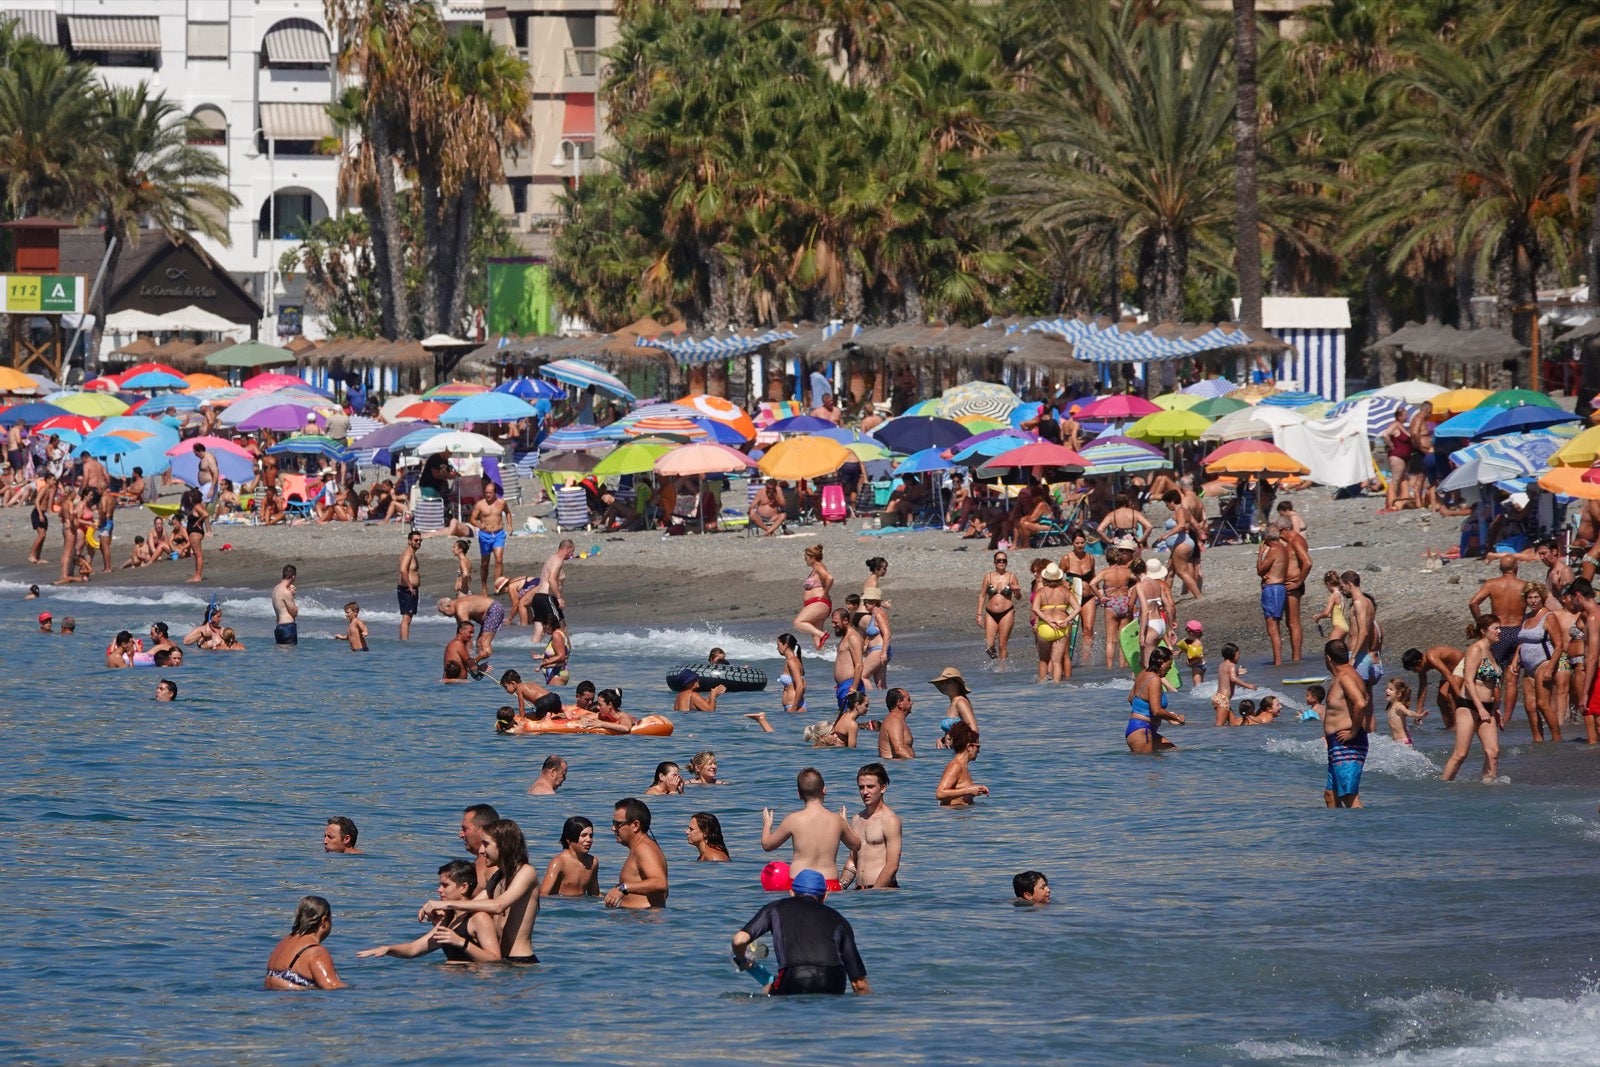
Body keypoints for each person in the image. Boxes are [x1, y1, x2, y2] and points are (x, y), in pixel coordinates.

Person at [732, 868, 871, 996]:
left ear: (791, 892)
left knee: (767, 991)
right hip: (834, 980)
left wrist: (743, 961)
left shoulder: (775, 908)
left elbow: (739, 940)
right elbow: (860, 984)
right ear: (824, 897)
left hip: (795, 977)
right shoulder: (839, 919)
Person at [421, 817, 540, 963]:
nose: (482, 851)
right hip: (502, 962)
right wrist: (441, 913)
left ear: (503, 845)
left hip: (522, 961)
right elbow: (472, 905)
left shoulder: (527, 872)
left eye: (486, 844)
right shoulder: (498, 876)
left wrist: (447, 904)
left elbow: (498, 905)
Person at [359, 861, 501, 964]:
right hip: (451, 985)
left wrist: (460, 942)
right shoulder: (448, 919)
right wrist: (388, 949)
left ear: (463, 887)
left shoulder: (478, 918)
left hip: (470, 988)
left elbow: (494, 960)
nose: (439, 890)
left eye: (445, 885)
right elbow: (414, 949)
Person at [761, 767, 862, 888]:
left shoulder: (793, 819)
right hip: (829, 884)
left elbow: (767, 845)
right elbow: (856, 845)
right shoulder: (837, 820)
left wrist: (767, 825)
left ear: (799, 795)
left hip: (800, 883)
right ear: (824, 790)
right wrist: (845, 823)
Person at [1442, 617, 1504, 782]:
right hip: (1469, 706)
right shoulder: (1475, 650)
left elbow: (1494, 684)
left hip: (1488, 707)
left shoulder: (1492, 651)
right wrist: (1480, 708)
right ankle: (1442, 788)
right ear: (1484, 631)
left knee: (1493, 752)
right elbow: (1468, 681)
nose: (1500, 632)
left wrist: (1496, 708)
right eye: (1496, 628)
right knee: (1461, 754)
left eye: (1500, 628)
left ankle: (1488, 788)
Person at [1323, 639, 1374, 807]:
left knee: (1348, 796)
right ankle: (1337, 832)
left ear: (1328, 658)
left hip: (1348, 743)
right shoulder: (1342, 676)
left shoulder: (1346, 677)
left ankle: (1364, 832)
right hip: (1336, 742)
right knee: (1331, 795)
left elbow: (1360, 703)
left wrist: (1353, 731)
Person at [265, 896, 345, 990]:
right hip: (298, 1002)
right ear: (324, 921)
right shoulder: (316, 953)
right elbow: (333, 987)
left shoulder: (282, 944)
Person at [842, 762, 901, 889]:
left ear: (883, 788)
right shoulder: (857, 819)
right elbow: (853, 861)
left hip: (883, 892)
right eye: (861, 787)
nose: (865, 792)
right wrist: (841, 886)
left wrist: (874, 893)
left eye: (870, 786)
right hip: (859, 891)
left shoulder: (890, 820)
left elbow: (892, 865)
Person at [606, 797, 669, 909]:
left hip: (644, 920)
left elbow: (660, 883)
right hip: (639, 920)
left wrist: (623, 888)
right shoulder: (642, 847)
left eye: (617, 824)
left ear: (635, 825)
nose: (613, 828)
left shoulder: (644, 848)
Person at [1468, 557, 1526, 672]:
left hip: (1499, 631)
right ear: (1516, 567)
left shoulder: (1492, 584)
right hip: (1519, 631)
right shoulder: (1525, 585)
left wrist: (1481, 623)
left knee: (1495, 672)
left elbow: (1473, 602)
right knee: (1514, 672)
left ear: (1500, 568)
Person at [1126, 647, 1185, 753]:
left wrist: (1143, 712)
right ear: (1161, 663)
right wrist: (1175, 717)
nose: (1170, 668)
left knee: (1174, 751)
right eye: (1169, 664)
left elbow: (1130, 698)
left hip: (1138, 728)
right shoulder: (1155, 680)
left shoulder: (1143, 673)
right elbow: (1156, 711)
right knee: (1149, 768)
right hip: (1142, 731)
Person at [1031, 562, 1079, 683]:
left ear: (1045, 577)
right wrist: (1066, 620)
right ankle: (1056, 688)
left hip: (1045, 627)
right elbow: (1077, 608)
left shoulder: (1041, 592)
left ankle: (1042, 684)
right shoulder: (1066, 592)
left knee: (1043, 659)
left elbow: (1035, 609)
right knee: (1057, 661)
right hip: (1061, 627)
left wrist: (1048, 620)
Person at [1342, 570, 1385, 693]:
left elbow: (1364, 632)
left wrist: (1353, 657)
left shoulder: (1359, 602)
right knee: (1365, 696)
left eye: (1342, 586)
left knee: (1355, 697)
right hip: (1364, 655)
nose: (1342, 590)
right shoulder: (1369, 602)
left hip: (1359, 655)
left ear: (1349, 584)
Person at [529, 540, 575, 647]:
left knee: (539, 633)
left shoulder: (552, 558)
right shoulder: (557, 561)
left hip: (538, 598)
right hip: (547, 598)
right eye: (572, 551)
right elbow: (552, 580)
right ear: (567, 549)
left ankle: (531, 655)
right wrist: (559, 598)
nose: (572, 555)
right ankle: (566, 652)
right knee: (561, 628)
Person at [978, 550, 1022, 661]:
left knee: (1002, 643)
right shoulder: (988, 576)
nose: (1001, 562)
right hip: (990, 613)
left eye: (1004, 560)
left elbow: (1018, 597)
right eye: (999, 560)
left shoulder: (1011, 576)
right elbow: (982, 595)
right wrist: (979, 614)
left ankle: (1002, 668)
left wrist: (1016, 591)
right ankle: (995, 661)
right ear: (994, 562)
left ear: (1006, 562)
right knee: (989, 645)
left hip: (1006, 612)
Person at [540, 816, 601, 896]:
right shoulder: (559, 862)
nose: (589, 840)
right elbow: (543, 894)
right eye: (583, 835)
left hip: (583, 906)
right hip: (560, 905)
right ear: (568, 839)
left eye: (591, 836)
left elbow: (594, 895)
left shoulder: (593, 862)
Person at [470, 479, 512, 594]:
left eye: (490, 493)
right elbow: (472, 518)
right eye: (486, 492)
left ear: (495, 493)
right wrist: (479, 524)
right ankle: (484, 586)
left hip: (498, 534)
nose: (488, 495)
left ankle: (498, 586)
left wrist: (510, 525)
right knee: (485, 563)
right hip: (485, 535)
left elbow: (508, 512)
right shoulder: (480, 504)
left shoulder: (501, 503)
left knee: (499, 560)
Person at [438, 592, 505, 662]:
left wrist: (468, 655)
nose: (444, 615)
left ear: (448, 606)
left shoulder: (460, 610)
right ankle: (482, 663)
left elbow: (467, 632)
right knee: (479, 643)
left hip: (494, 609)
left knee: (484, 642)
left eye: (443, 612)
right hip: (489, 612)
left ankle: (491, 664)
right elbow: (461, 634)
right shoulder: (457, 610)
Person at [935, 722, 988, 806]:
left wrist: (978, 789)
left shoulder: (963, 766)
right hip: (953, 815)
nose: (978, 751)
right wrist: (969, 790)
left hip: (961, 814)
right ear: (969, 747)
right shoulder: (956, 766)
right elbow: (940, 793)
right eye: (978, 747)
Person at [1257, 526, 1289, 666]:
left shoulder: (1274, 550)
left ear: (1267, 539)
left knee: (1272, 627)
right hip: (1279, 587)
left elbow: (1260, 570)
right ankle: (1278, 659)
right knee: (1275, 625)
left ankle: (1278, 661)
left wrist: (1260, 554)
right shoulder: (1283, 549)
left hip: (1272, 589)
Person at [793, 543, 834, 651]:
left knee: (798, 623)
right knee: (815, 634)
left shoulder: (819, 566)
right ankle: (823, 655)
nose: (804, 560)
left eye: (806, 557)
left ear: (812, 558)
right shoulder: (815, 569)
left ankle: (822, 635)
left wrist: (825, 592)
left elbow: (830, 578)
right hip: (815, 604)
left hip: (819, 603)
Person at [929, 666, 977, 747]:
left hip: (963, 751)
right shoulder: (953, 703)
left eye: (948, 682)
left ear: (957, 684)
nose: (944, 685)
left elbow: (973, 730)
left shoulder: (960, 702)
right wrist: (942, 739)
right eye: (942, 683)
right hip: (954, 750)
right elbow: (957, 731)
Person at [831, 608, 866, 711]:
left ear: (845, 620)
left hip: (850, 686)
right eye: (832, 622)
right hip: (843, 686)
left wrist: (853, 688)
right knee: (843, 720)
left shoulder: (853, 637)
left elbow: (859, 665)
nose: (833, 625)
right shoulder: (845, 637)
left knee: (847, 720)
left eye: (836, 622)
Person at [397, 528, 422, 640]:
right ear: (409, 541)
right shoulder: (408, 553)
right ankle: (404, 643)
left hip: (410, 589)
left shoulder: (412, 553)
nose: (418, 542)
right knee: (406, 618)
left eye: (420, 540)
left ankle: (404, 641)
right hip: (407, 589)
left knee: (408, 617)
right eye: (416, 540)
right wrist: (410, 586)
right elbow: (403, 570)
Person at [1384, 679, 1425, 745]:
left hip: (1404, 742)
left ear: (1399, 693)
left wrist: (1419, 716)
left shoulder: (1399, 706)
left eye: (1391, 689)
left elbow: (1409, 713)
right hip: (1397, 743)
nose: (1387, 690)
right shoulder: (1390, 706)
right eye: (1387, 688)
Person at [878, 687, 915, 760]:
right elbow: (898, 750)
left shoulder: (897, 720)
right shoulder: (894, 721)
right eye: (908, 700)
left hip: (900, 766)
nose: (911, 703)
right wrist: (917, 763)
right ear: (899, 703)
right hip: (896, 767)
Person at [1314, 570, 1349, 642]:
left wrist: (1318, 617)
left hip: (1338, 626)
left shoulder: (1334, 595)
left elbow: (1326, 612)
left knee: (1330, 649)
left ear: (1328, 584)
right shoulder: (1341, 595)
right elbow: (1335, 613)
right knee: (1339, 650)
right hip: (1344, 625)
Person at [777, 632, 807, 713]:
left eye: (778, 645)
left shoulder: (792, 661)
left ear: (785, 645)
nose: (777, 648)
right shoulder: (791, 661)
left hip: (794, 707)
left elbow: (800, 685)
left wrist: (793, 708)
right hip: (791, 706)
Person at [272, 565, 299, 645]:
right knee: (290, 655)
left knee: (281, 654)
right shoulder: (286, 592)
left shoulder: (275, 589)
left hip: (279, 627)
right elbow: (294, 612)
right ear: (293, 577)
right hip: (288, 627)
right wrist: (292, 596)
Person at [1174, 621, 1206, 687]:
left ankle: (1198, 696)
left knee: (1197, 685)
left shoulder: (1197, 643)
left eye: (1187, 632)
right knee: (1199, 683)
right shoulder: (1192, 641)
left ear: (1191, 632)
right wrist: (1180, 651)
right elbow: (1186, 646)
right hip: (1200, 665)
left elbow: (1199, 656)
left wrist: (1190, 663)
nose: (1187, 634)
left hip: (1197, 666)